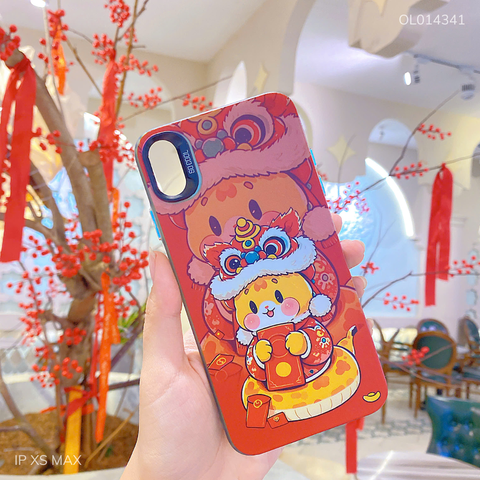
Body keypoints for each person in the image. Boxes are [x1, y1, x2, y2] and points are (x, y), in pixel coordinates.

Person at [121, 214, 368, 480]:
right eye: (252, 307)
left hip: (318, 378)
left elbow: (323, 345)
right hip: (275, 392)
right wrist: (259, 358)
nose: (268, 308)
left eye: (278, 296)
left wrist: (306, 344)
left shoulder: (308, 325)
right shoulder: (257, 341)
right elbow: (254, 367)